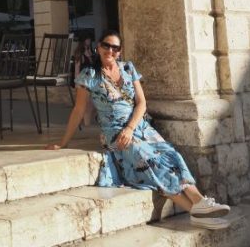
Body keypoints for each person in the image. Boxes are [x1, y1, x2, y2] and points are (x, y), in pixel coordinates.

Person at [46, 29, 231, 230]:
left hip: (138, 126)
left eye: (115, 47)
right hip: (115, 132)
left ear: (120, 51)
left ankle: (199, 204)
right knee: (148, 159)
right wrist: (63, 142)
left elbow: (142, 103)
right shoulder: (88, 75)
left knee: (170, 154)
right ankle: (197, 209)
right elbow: (78, 110)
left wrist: (131, 127)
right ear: (98, 47)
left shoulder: (128, 68)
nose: (110, 50)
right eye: (106, 45)